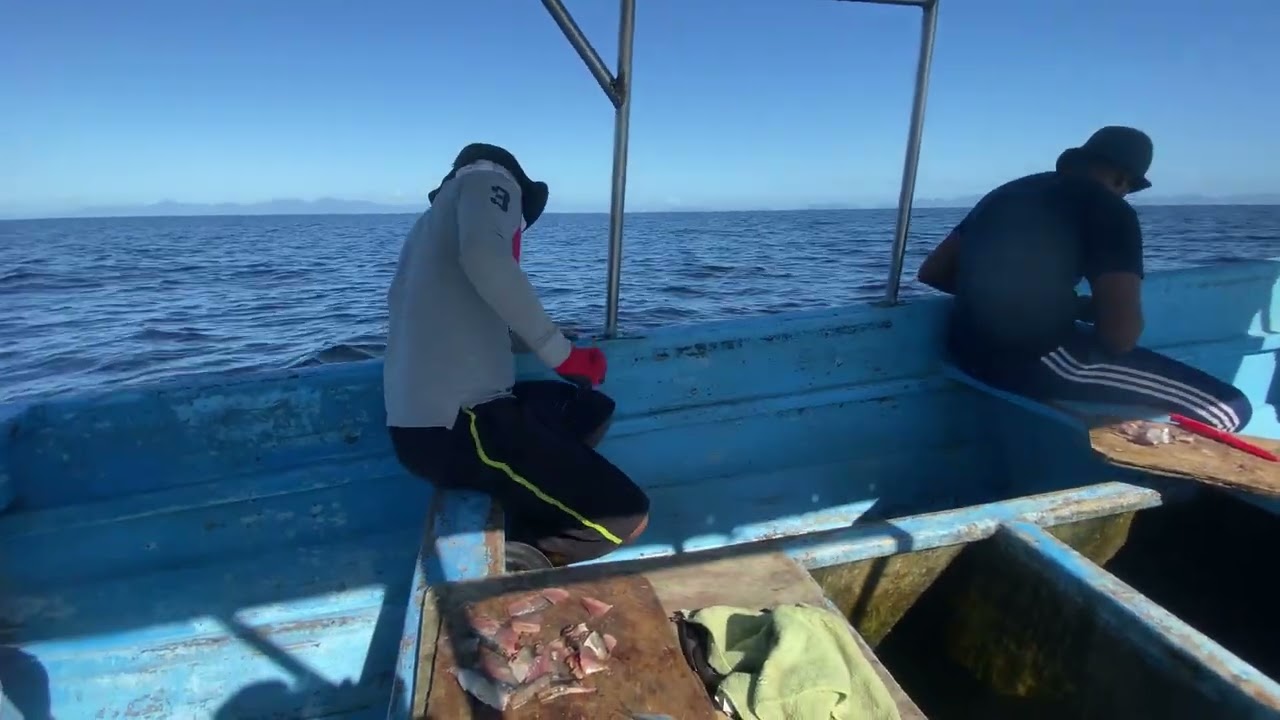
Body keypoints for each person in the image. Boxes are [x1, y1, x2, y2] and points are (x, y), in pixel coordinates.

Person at [383, 142, 650, 567]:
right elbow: (485, 256)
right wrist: (562, 355)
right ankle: (500, 561)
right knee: (623, 518)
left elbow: (478, 320)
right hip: (460, 425)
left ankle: (529, 490)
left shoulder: (428, 230)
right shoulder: (489, 178)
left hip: (432, 422)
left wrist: (557, 341)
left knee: (587, 408)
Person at [917, 126, 1252, 432]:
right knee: (1229, 409)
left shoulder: (1005, 194)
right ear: (1123, 180)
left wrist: (1063, 305)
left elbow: (933, 272)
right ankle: (1188, 495)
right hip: (1031, 360)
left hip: (961, 347)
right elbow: (1120, 338)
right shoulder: (1111, 211)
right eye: (1129, 189)